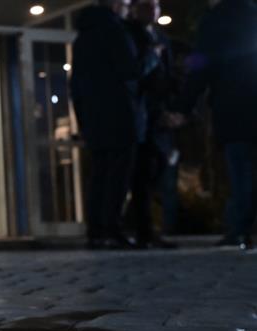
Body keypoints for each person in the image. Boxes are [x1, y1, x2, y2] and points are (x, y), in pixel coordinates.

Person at [70, 0, 160, 249]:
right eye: (125, 3)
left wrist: (83, 119)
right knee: (117, 177)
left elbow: (75, 85)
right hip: (121, 115)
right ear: (113, 4)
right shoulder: (115, 32)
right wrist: (153, 56)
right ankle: (111, 229)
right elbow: (131, 70)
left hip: (95, 118)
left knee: (99, 175)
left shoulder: (83, 38)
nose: (128, 9)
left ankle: (96, 230)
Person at [175, 0, 257, 250]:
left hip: (235, 108)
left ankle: (240, 231)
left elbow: (201, 65)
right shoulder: (252, 14)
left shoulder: (215, 21)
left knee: (241, 171)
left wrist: (183, 106)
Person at [126, 0, 178, 249]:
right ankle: (142, 228)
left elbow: (168, 75)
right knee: (142, 176)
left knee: (157, 172)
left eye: (155, 5)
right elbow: (133, 75)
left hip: (158, 116)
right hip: (140, 116)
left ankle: (150, 227)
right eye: (146, 6)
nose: (152, 10)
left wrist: (173, 110)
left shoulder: (161, 37)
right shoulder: (130, 35)